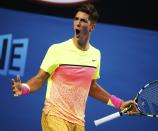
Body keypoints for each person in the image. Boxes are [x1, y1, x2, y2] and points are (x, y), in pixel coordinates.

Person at [11, 3, 139, 131]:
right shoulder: (57, 49)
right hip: (54, 116)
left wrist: (120, 103)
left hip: (78, 122)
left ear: (92, 27)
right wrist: (24, 88)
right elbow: (40, 78)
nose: (77, 23)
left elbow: (92, 87)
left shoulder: (96, 54)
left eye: (83, 20)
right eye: (76, 19)